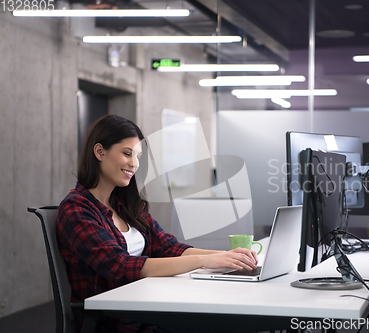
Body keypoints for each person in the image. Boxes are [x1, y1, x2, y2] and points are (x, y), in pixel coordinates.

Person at [57, 115, 258, 333]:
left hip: (144, 308)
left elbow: (168, 247)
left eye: (138, 156)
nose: (134, 164)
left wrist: (226, 258)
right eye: (127, 153)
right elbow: (121, 266)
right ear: (99, 152)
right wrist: (206, 260)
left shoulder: (127, 205)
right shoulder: (76, 209)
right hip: (115, 322)